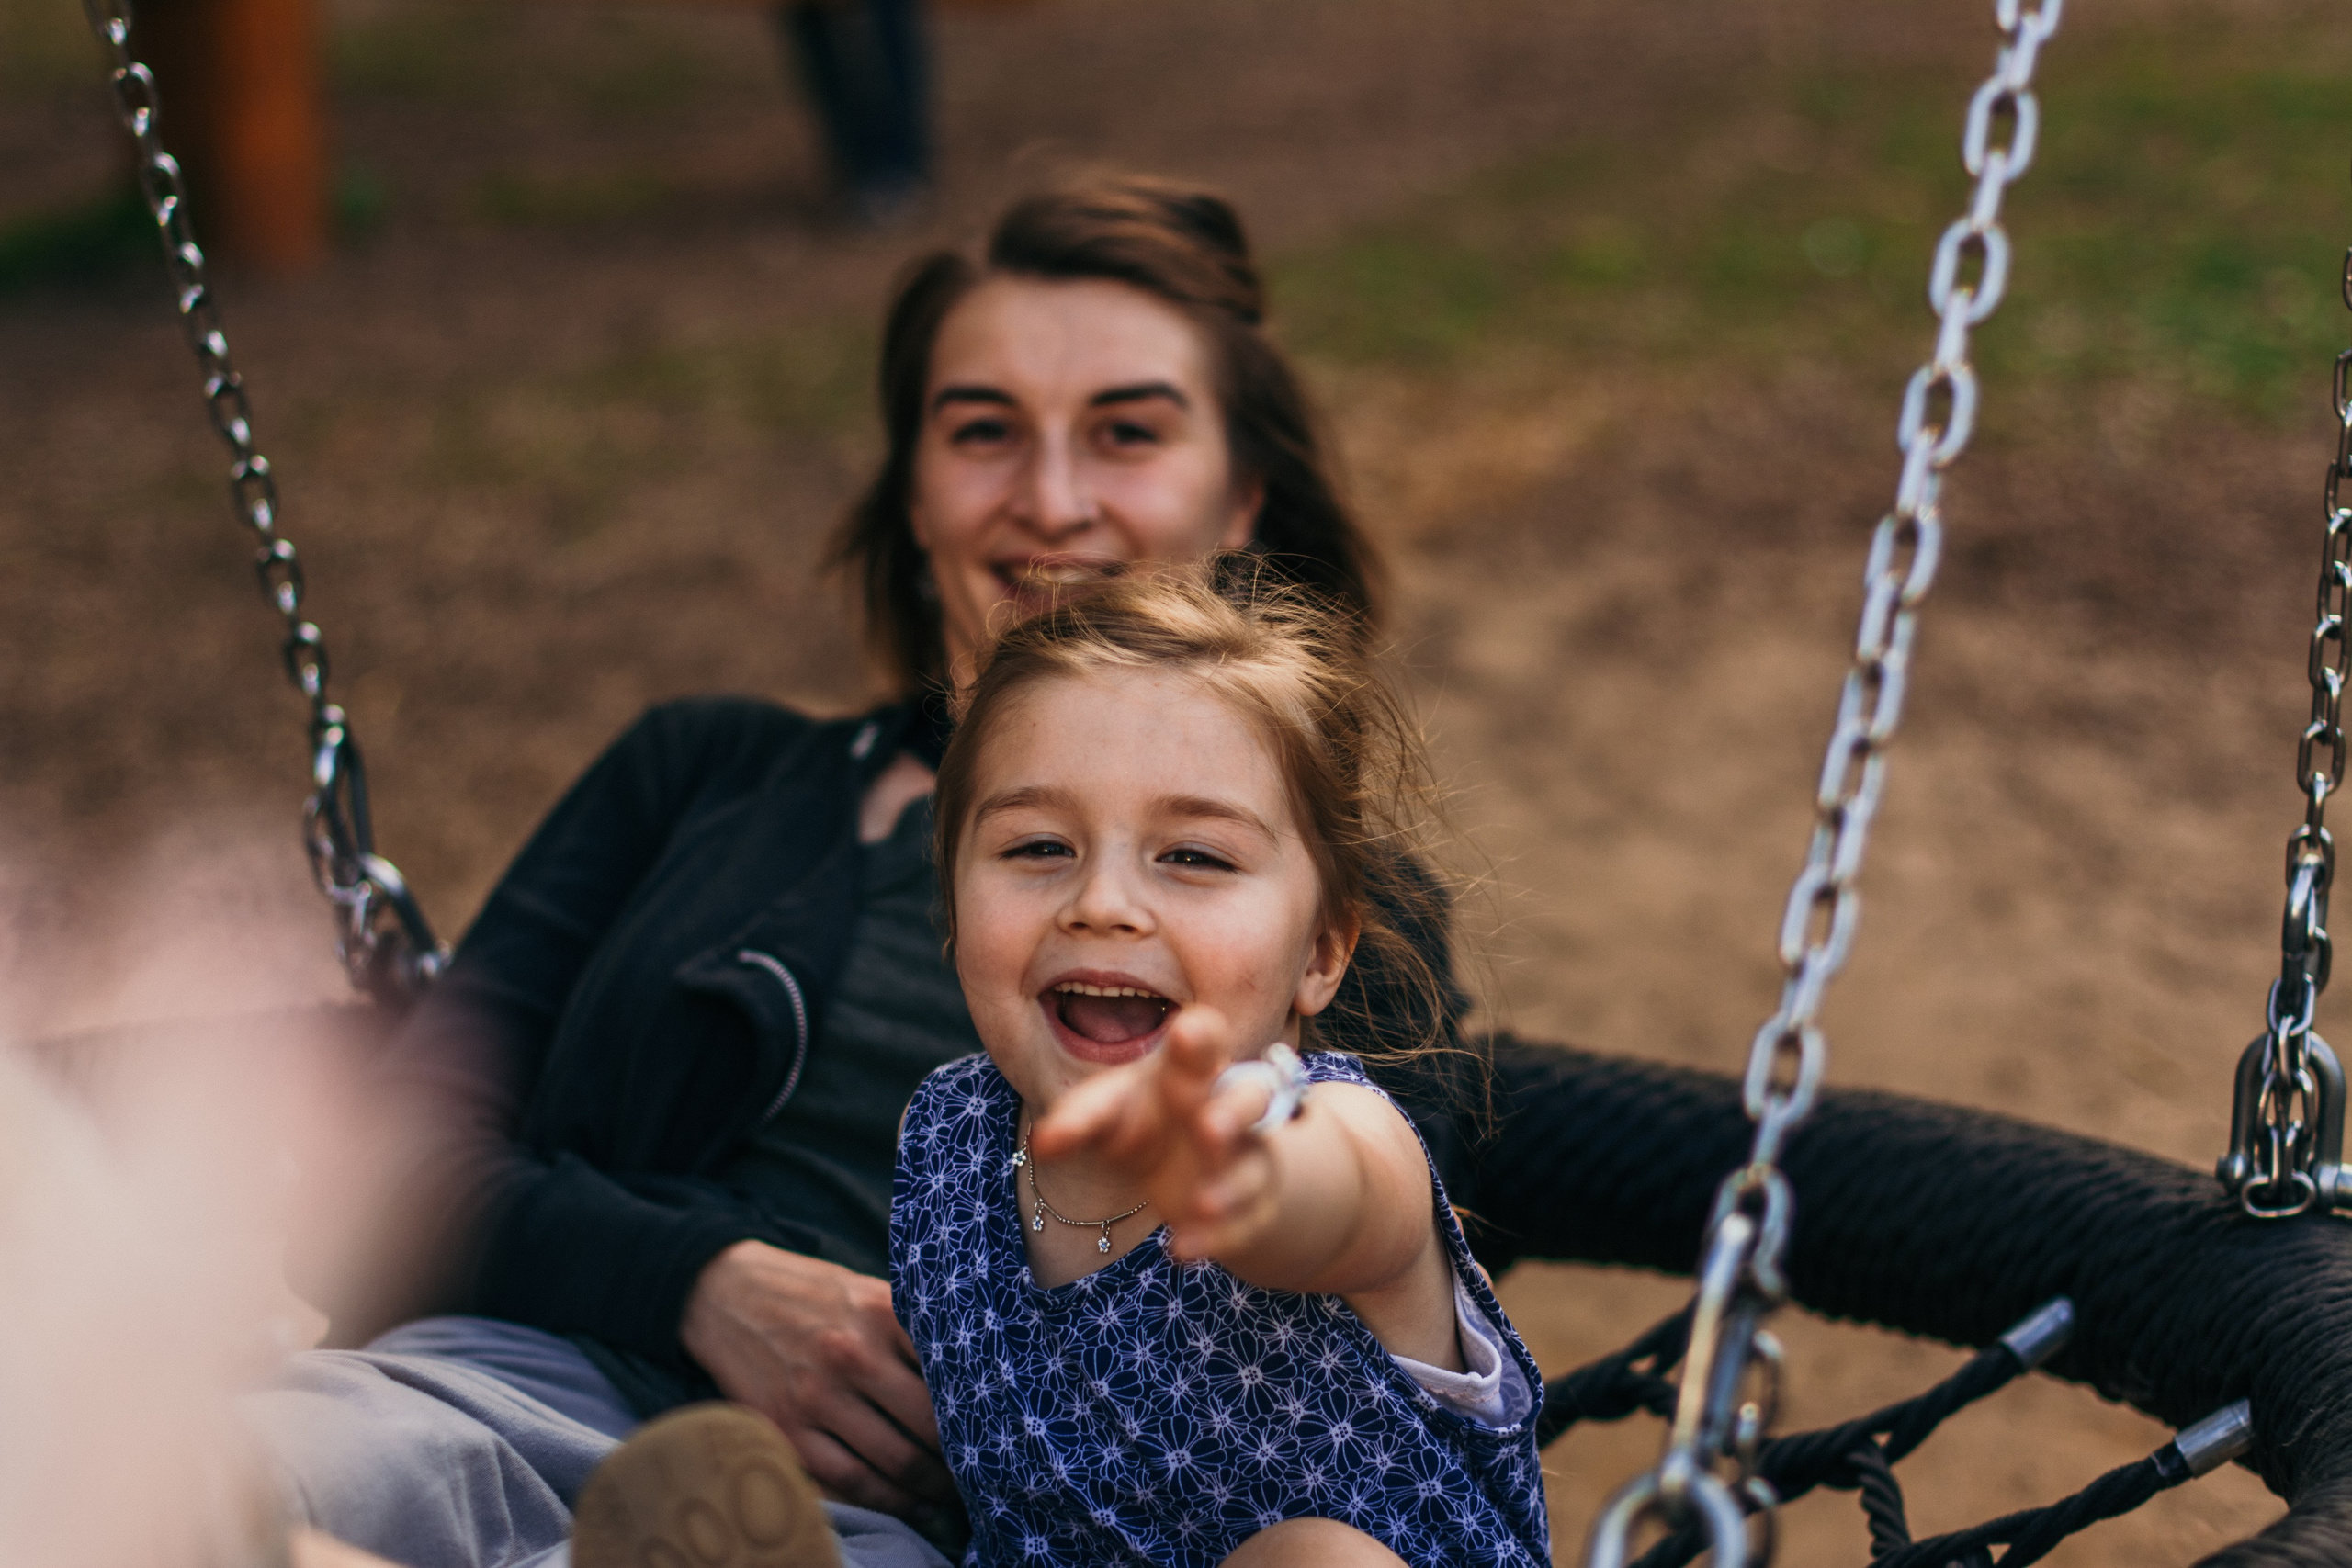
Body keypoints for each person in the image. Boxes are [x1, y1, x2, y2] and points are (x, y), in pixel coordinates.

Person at [258, 173, 1476, 1568]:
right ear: (914, 492)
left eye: (1127, 432)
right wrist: (697, 1282)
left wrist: (1239, 1180)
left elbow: (1355, 1237)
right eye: (984, 431)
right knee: (244, 1468)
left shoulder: (1316, 903)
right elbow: (379, 1165)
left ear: (1242, 495)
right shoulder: (705, 772)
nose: (1053, 498)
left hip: (907, 1519)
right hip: (513, 1376)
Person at [896, 569, 1546, 1566]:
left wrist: (1250, 1183)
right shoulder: (946, 1136)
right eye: (1037, 846)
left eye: (1194, 857)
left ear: (1320, 953)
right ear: (953, 905)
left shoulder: (1335, 1127)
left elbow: (1342, 1198)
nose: (1101, 903)